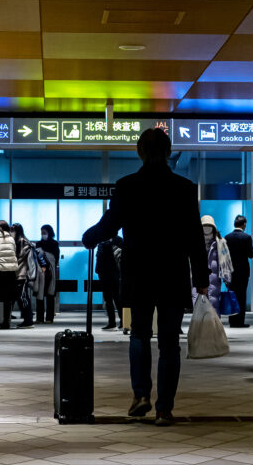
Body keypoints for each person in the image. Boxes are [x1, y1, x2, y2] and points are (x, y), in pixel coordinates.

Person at [83, 128, 207, 427]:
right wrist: (201, 278)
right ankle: (164, 409)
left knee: (139, 334)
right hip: (173, 274)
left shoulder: (127, 186)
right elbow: (194, 238)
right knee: (169, 342)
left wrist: (90, 237)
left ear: (140, 151)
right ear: (168, 152)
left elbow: (109, 225)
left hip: (138, 273)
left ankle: (141, 395)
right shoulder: (185, 188)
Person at [224, 215, 253, 328]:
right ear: (244, 224)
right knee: (241, 296)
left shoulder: (227, 237)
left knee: (232, 295)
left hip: (230, 271)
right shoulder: (246, 237)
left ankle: (232, 321)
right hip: (243, 271)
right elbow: (250, 255)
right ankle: (240, 322)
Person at [96, 235, 124, 330]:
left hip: (114, 272)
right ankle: (112, 322)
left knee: (117, 298)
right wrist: (98, 270)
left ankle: (122, 321)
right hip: (104, 272)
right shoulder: (102, 240)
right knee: (108, 299)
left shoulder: (117, 240)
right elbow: (99, 256)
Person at [11, 223, 36, 329]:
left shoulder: (22, 242)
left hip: (21, 274)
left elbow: (22, 257)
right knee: (22, 297)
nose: (11, 232)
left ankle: (28, 321)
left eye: (13, 230)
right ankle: (27, 319)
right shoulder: (22, 241)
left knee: (23, 297)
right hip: (19, 274)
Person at [196, 215, 223, 309]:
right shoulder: (195, 243)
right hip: (198, 278)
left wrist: (227, 277)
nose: (206, 228)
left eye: (209, 226)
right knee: (198, 305)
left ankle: (214, 323)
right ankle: (201, 323)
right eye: (204, 226)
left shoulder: (220, 242)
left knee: (214, 303)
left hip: (214, 278)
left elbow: (225, 262)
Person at [36, 224, 59, 324]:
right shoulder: (38, 244)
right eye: (42, 233)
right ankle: (39, 317)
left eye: (44, 233)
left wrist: (45, 255)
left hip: (50, 272)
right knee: (39, 294)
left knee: (50, 295)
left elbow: (56, 257)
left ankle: (49, 317)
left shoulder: (54, 244)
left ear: (49, 233)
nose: (43, 235)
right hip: (40, 271)